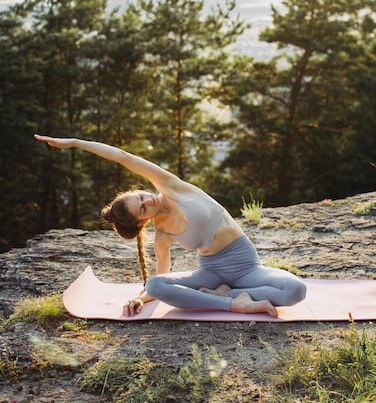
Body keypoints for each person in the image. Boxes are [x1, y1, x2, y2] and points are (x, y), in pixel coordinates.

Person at [34, 134, 307, 318]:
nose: (147, 199)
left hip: (247, 267)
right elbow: (161, 278)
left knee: (296, 290)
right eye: (143, 208)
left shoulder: (172, 186)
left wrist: (74, 143)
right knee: (154, 285)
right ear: (142, 221)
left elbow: (123, 156)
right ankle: (233, 303)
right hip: (210, 274)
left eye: (140, 196)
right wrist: (141, 298)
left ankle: (227, 295)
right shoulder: (162, 235)